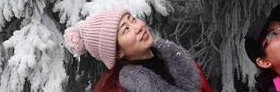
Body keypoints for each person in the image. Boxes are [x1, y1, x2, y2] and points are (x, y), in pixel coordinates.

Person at [64, 9, 213, 92]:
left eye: (133, 19)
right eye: (126, 29)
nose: (139, 27)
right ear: (118, 53)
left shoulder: (175, 56)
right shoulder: (120, 88)